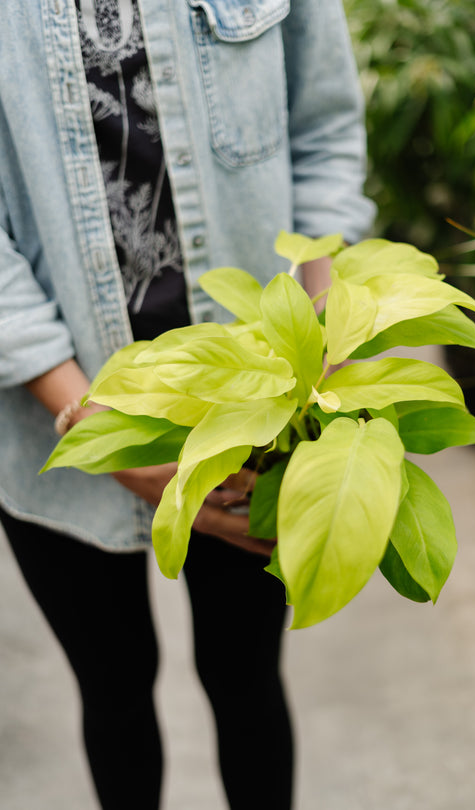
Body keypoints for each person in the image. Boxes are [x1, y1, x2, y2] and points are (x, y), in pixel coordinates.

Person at [0, 1, 375, 808]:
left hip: (260, 417)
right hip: (53, 420)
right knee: (114, 688)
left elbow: (323, 130)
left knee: (247, 678)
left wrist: (326, 344)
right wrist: (92, 424)